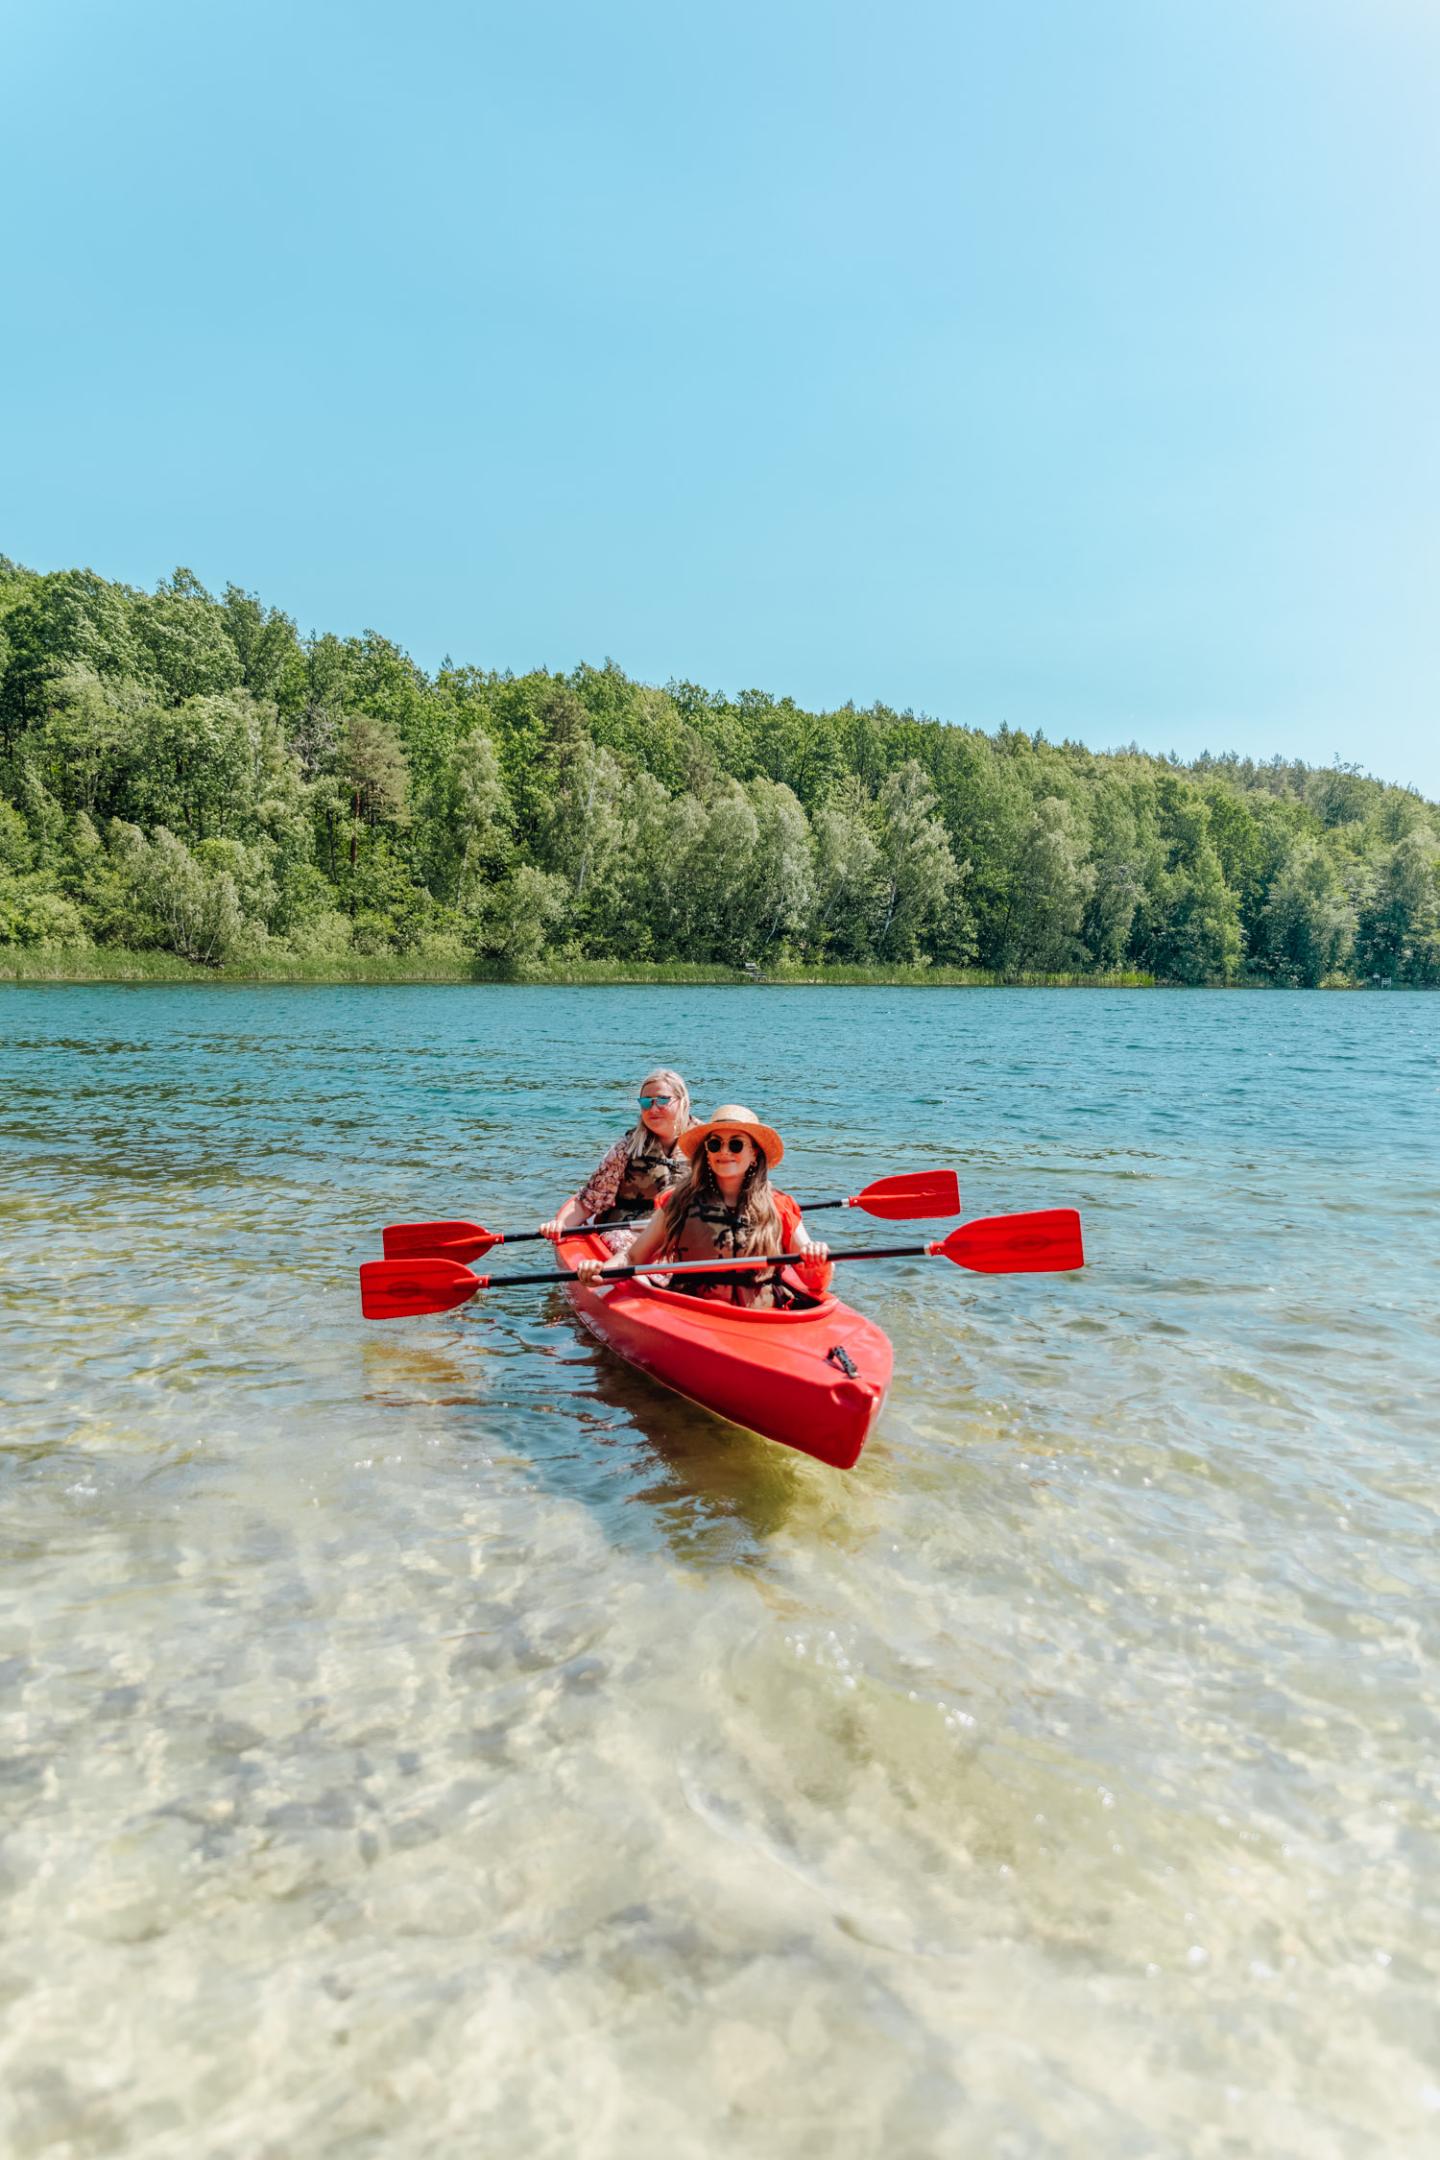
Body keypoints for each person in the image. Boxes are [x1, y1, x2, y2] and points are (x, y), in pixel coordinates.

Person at [574, 1104, 831, 1308]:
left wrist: (818, 1261)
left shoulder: (779, 1206)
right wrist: (602, 1271)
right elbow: (633, 1257)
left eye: (736, 1144)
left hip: (762, 1319)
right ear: (707, 1153)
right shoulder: (678, 1201)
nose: (724, 1151)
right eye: (715, 1143)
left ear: (754, 1154)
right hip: (694, 1311)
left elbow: (816, 1282)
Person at [539, 1069, 694, 1256]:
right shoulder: (626, 1148)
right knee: (638, 1251)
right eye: (646, 1102)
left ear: (682, 1101)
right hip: (630, 1229)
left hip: (681, 1228)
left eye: (662, 1100)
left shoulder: (708, 1144)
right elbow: (589, 1201)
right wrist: (559, 1225)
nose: (653, 1109)